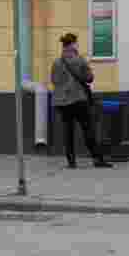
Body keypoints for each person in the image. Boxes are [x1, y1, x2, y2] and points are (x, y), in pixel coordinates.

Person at [51, 33, 112, 169]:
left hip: (62, 102)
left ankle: (71, 162)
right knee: (88, 129)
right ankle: (97, 159)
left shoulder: (57, 62)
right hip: (79, 99)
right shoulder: (79, 60)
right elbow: (90, 78)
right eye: (76, 43)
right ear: (73, 44)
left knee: (68, 131)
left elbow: (54, 81)